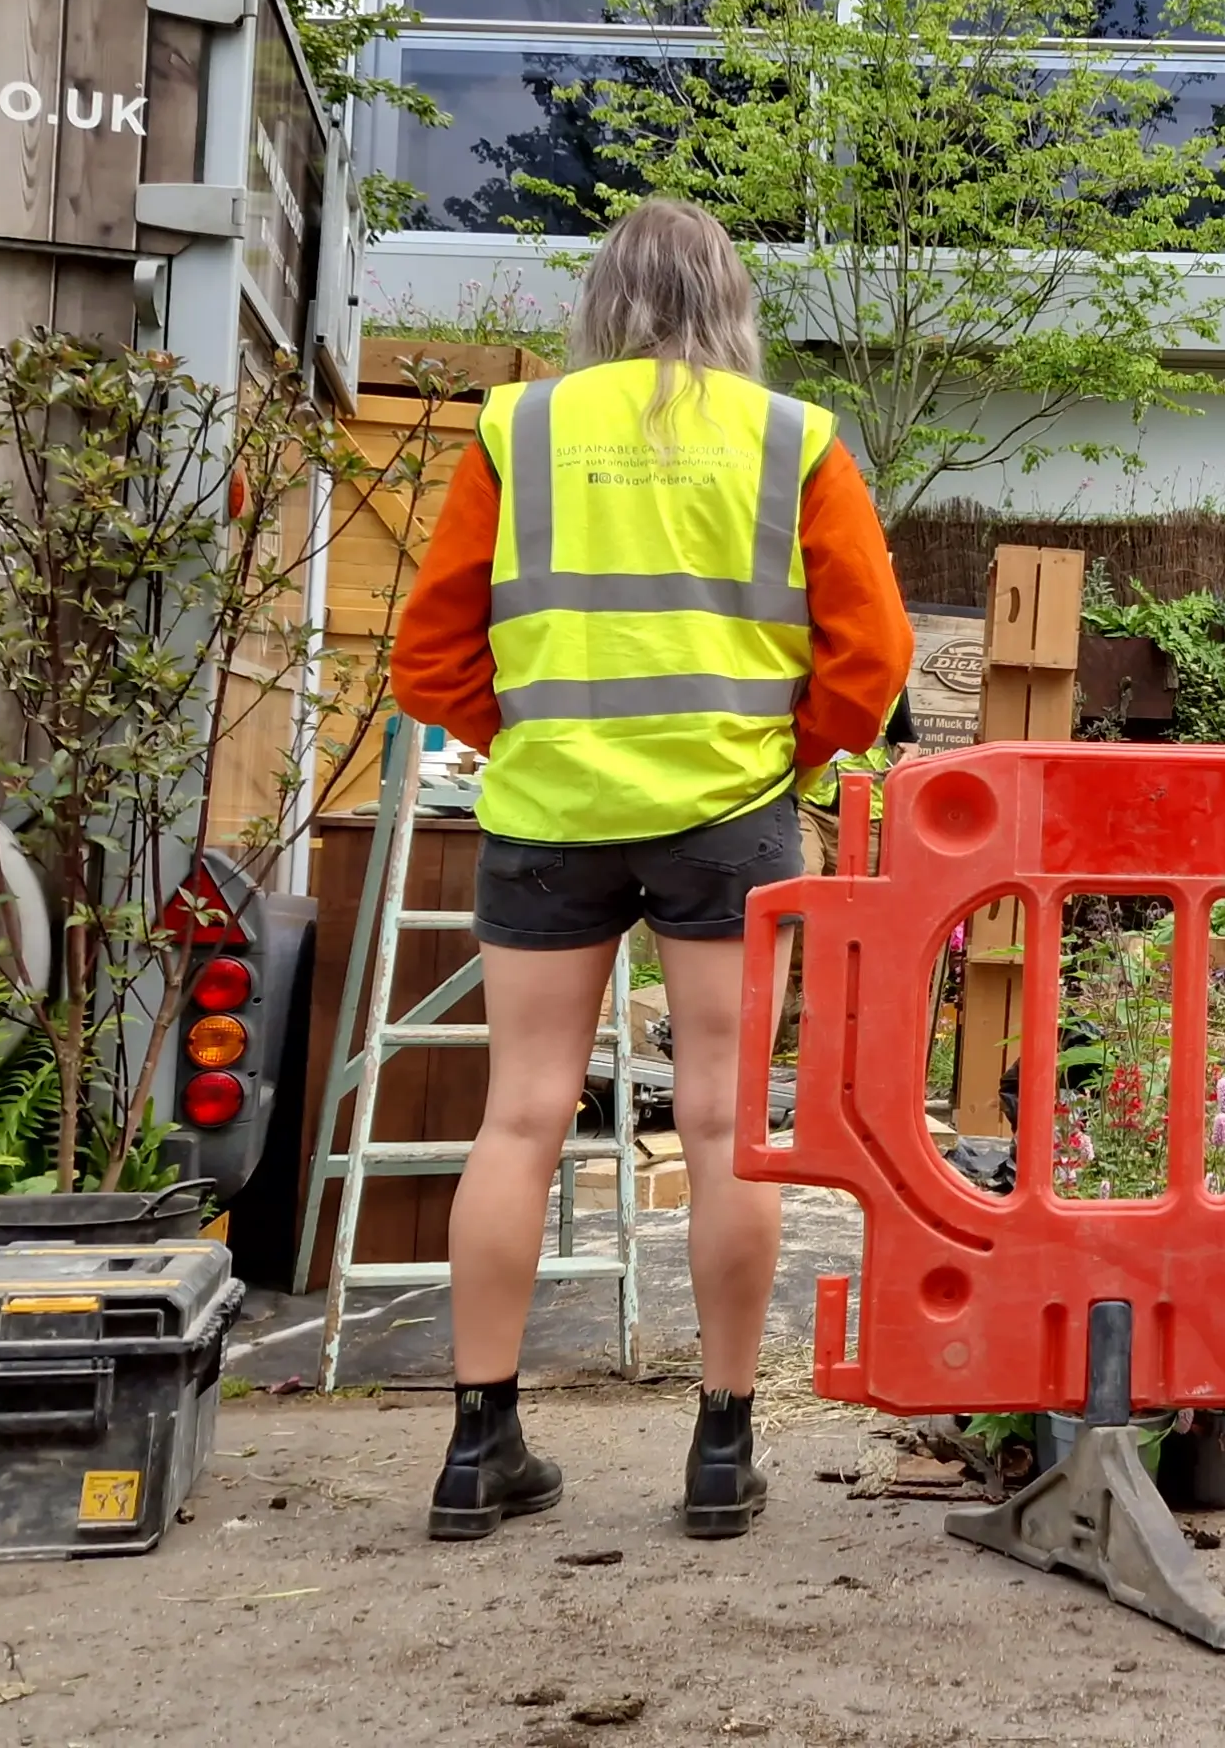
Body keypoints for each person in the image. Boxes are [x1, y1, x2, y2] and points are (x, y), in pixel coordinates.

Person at [391, 198, 914, 1541]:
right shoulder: (791, 440)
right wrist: (782, 757)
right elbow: (873, 661)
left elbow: (432, 656)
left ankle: (476, 1447)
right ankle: (725, 1451)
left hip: (550, 813)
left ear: (599, 300)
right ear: (732, 302)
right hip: (729, 815)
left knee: (520, 1117)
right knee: (729, 1122)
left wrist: (541, 739)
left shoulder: (523, 430)